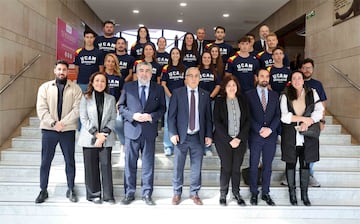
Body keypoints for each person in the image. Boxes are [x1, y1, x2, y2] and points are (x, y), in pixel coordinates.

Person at [119, 61, 166, 205]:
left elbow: (162, 109)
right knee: (130, 164)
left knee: (148, 164)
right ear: (137, 73)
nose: (144, 73)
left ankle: (147, 194)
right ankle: (129, 193)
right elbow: (121, 107)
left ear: (151, 73)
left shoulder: (158, 89)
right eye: (141, 70)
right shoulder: (128, 87)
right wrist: (132, 115)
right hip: (132, 131)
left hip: (149, 132)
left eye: (147, 70)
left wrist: (151, 116)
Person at [35, 60, 82, 203]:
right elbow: (41, 108)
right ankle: (43, 190)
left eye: (64, 70)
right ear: (55, 71)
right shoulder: (45, 88)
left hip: (67, 130)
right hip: (49, 130)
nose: (62, 72)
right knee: (45, 161)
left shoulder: (75, 88)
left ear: (68, 72)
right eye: (59, 69)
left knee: (70, 161)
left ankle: (70, 188)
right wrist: (53, 123)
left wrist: (63, 123)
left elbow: (77, 109)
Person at [168, 67, 213, 205]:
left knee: (196, 166)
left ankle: (194, 193)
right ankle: (177, 192)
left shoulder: (205, 94)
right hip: (181, 137)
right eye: (190, 76)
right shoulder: (177, 93)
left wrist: (209, 135)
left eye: (196, 76)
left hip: (197, 137)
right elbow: (171, 116)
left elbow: (208, 118)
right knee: (178, 166)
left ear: (200, 78)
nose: (193, 78)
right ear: (185, 78)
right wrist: (172, 133)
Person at [280, 70, 324, 206]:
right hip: (290, 135)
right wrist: (303, 119)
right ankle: (292, 194)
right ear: (291, 81)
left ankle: (304, 195)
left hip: (308, 134)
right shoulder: (285, 94)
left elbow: (319, 111)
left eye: (299, 78)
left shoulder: (312, 92)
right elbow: (285, 116)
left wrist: (308, 122)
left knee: (305, 165)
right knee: (291, 163)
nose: (297, 80)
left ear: (303, 80)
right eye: (294, 78)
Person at [78, 72, 117, 204]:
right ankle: (93, 194)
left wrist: (103, 135)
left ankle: (108, 195)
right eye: (97, 81)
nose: (100, 83)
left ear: (106, 84)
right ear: (92, 83)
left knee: (106, 166)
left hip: (106, 138)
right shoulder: (85, 97)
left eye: (103, 81)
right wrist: (96, 134)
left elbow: (113, 118)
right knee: (90, 167)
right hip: (89, 137)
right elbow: (83, 118)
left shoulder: (111, 99)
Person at [213, 75, 250, 206]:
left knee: (236, 168)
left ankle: (236, 193)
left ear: (237, 87)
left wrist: (239, 138)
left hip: (240, 140)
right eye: (229, 85)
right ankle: (223, 194)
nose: (231, 87)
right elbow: (217, 122)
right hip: (223, 141)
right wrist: (229, 139)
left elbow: (247, 121)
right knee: (226, 167)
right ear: (225, 87)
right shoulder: (219, 101)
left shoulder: (242, 100)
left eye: (233, 85)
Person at [246, 69, 280, 206]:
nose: (264, 79)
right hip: (255, 135)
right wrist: (259, 129)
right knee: (253, 165)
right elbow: (247, 115)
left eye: (267, 76)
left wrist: (270, 129)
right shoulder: (249, 95)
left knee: (268, 166)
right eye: (262, 76)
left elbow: (278, 115)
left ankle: (265, 192)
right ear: (257, 78)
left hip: (270, 137)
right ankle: (254, 192)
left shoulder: (274, 95)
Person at [301, 58, 327, 187]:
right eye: (304, 68)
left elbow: (322, 103)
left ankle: (310, 174)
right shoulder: (295, 82)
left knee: (311, 149)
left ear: (312, 69)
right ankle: (290, 172)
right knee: (295, 148)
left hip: (314, 121)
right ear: (300, 69)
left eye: (309, 68)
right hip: (298, 121)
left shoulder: (317, 84)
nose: (306, 70)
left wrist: (322, 120)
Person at [161, 47, 186, 156]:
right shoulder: (166, 68)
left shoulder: (184, 68)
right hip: (169, 97)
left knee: (181, 121)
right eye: (173, 53)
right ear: (170, 55)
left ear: (180, 55)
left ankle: (179, 144)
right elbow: (163, 84)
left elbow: (186, 83)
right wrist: (170, 95)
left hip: (181, 97)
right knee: (168, 120)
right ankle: (168, 146)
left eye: (177, 53)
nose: (175, 55)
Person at [198, 51, 221, 156]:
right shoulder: (197, 70)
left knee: (210, 122)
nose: (206, 59)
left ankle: (208, 146)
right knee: (199, 121)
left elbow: (218, 86)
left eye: (208, 57)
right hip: (199, 101)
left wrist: (211, 96)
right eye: (204, 57)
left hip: (211, 100)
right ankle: (199, 146)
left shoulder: (215, 71)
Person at [103, 53, 125, 150]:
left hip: (116, 106)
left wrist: (118, 103)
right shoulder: (101, 76)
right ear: (105, 63)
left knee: (119, 124)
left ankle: (123, 147)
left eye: (113, 62)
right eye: (108, 61)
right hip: (103, 106)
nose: (110, 64)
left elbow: (123, 93)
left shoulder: (119, 77)